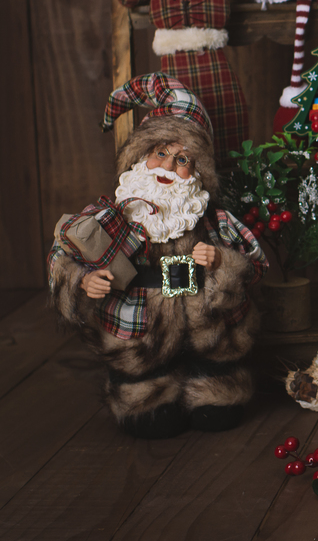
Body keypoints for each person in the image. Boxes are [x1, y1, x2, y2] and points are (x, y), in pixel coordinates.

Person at [47, 74, 267, 439]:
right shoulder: (118, 215)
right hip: (140, 330)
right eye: (160, 154)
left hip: (209, 331)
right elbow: (63, 249)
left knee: (219, 403)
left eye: (182, 159)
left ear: (197, 171)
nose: (167, 168)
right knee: (151, 413)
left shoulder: (213, 220)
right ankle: (147, 393)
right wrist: (82, 279)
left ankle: (212, 387)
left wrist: (222, 262)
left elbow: (256, 264)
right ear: (140, 158)